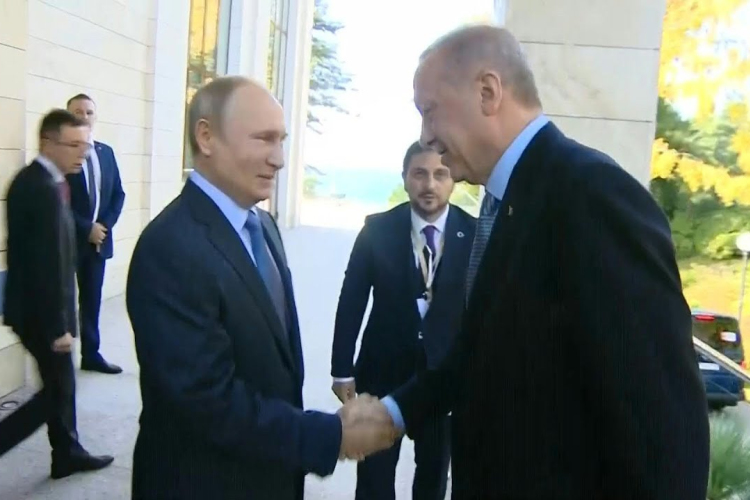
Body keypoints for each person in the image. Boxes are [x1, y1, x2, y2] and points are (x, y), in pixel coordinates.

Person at [342, 25, 710, 499]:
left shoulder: (590, 195)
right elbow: (476, 353)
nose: (426, 136)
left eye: (429, 111)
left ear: (488, 92)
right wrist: (393, 413)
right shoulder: (505, 201)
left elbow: (663, 423)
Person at [126, 76, 396, 500]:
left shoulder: (263, 226)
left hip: (267, 475)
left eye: (282, 141)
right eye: (264, 139)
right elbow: (204, 400)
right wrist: (329, 435)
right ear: (206, 137)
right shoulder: (170, 247)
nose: (279, 159)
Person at [331, 141, 475, 500]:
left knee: (433, 479)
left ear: (453, 179)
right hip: (382, 373)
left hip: (441, 379)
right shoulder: (376, 230)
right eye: (419, 174)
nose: (430, 184)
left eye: (440, 174)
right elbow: (351, 301)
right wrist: (342, 369)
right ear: (405, 178)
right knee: (374, 480)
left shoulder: (473, 233)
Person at [3, 109, 115, 479]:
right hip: (40, 314)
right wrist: (58, 328)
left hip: (43, 311)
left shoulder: (50, 182)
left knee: (60, 387)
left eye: (85, 145)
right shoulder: (36, 187)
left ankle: (67, 453)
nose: (82, 153)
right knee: (57, 391)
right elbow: (45, 266)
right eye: (73, 145)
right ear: (47, 143)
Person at [66, 93, 126, 374]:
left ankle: (91, 355)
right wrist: (85, 228)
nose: (84, 116)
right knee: (64, 301)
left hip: (98, 242)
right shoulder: (63, 155)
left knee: (91, 301)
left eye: (88, 112)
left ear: (95, 116)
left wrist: (103, 226)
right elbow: (58, 201)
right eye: (77, 112)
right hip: (68, 241)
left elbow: (118, 194)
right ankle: (60, 359)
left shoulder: (106, 152)